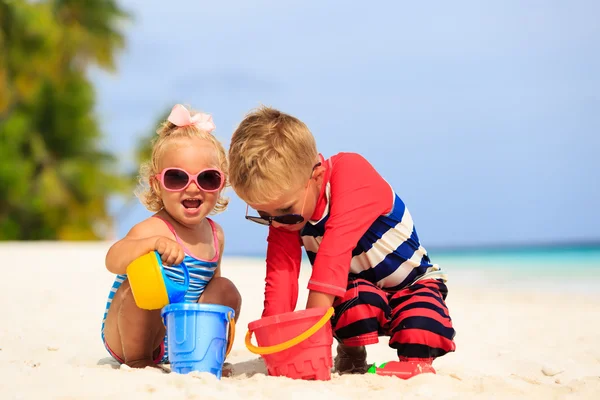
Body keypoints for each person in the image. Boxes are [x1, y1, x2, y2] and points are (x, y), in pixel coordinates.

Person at [227, 106, 455, 377]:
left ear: (316, 176)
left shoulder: (350, 174)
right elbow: (281, 276)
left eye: (285, 212)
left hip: (413, 284)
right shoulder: (286, 216)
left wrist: (307, 342)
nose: (277, 224)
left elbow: (331, 259)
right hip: (362, 290)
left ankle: (416, 363)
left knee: (420, 322)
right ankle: (352, 355)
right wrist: (275, 343)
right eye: (264, 215)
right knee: (350, 301)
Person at [100, 104, 241, 370]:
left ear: (221, 184)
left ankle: (206, 354)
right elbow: (112, 260)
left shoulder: (215, 234)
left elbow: (211, 290)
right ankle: (140, 360)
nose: (192, 187)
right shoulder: (153, 229)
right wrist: (151, 245)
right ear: (156, 185)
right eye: (176, 178)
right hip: (128, 334)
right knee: (143, 288)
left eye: (207, 179)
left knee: (225, 289)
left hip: (179, 338)